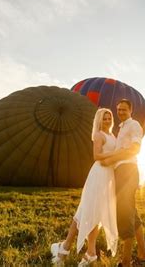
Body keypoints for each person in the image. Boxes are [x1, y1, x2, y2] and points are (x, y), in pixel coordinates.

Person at [51, 108, 120, 266]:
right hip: (99, 174)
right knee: (87, 211)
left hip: (108, 176)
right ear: (99, 120)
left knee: (97, 214)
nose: (108, 121)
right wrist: (116, 155)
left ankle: (82, 251)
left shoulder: (112, 135)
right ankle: (67, 249)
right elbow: (97, 156)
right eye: (104, 118)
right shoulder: (98, 135)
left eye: (109, 118)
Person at [100, 99, 145, 267]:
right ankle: (143, 257)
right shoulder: (120, 129)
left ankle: (126, 262)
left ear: (131, 110)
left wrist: (112, 158)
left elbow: (136, 149)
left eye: (124, 110)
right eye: (119, 109)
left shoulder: (134, 125)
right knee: (132, 215)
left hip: (128, 170)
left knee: (124, 214)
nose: (120, 112)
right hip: (120, 171)